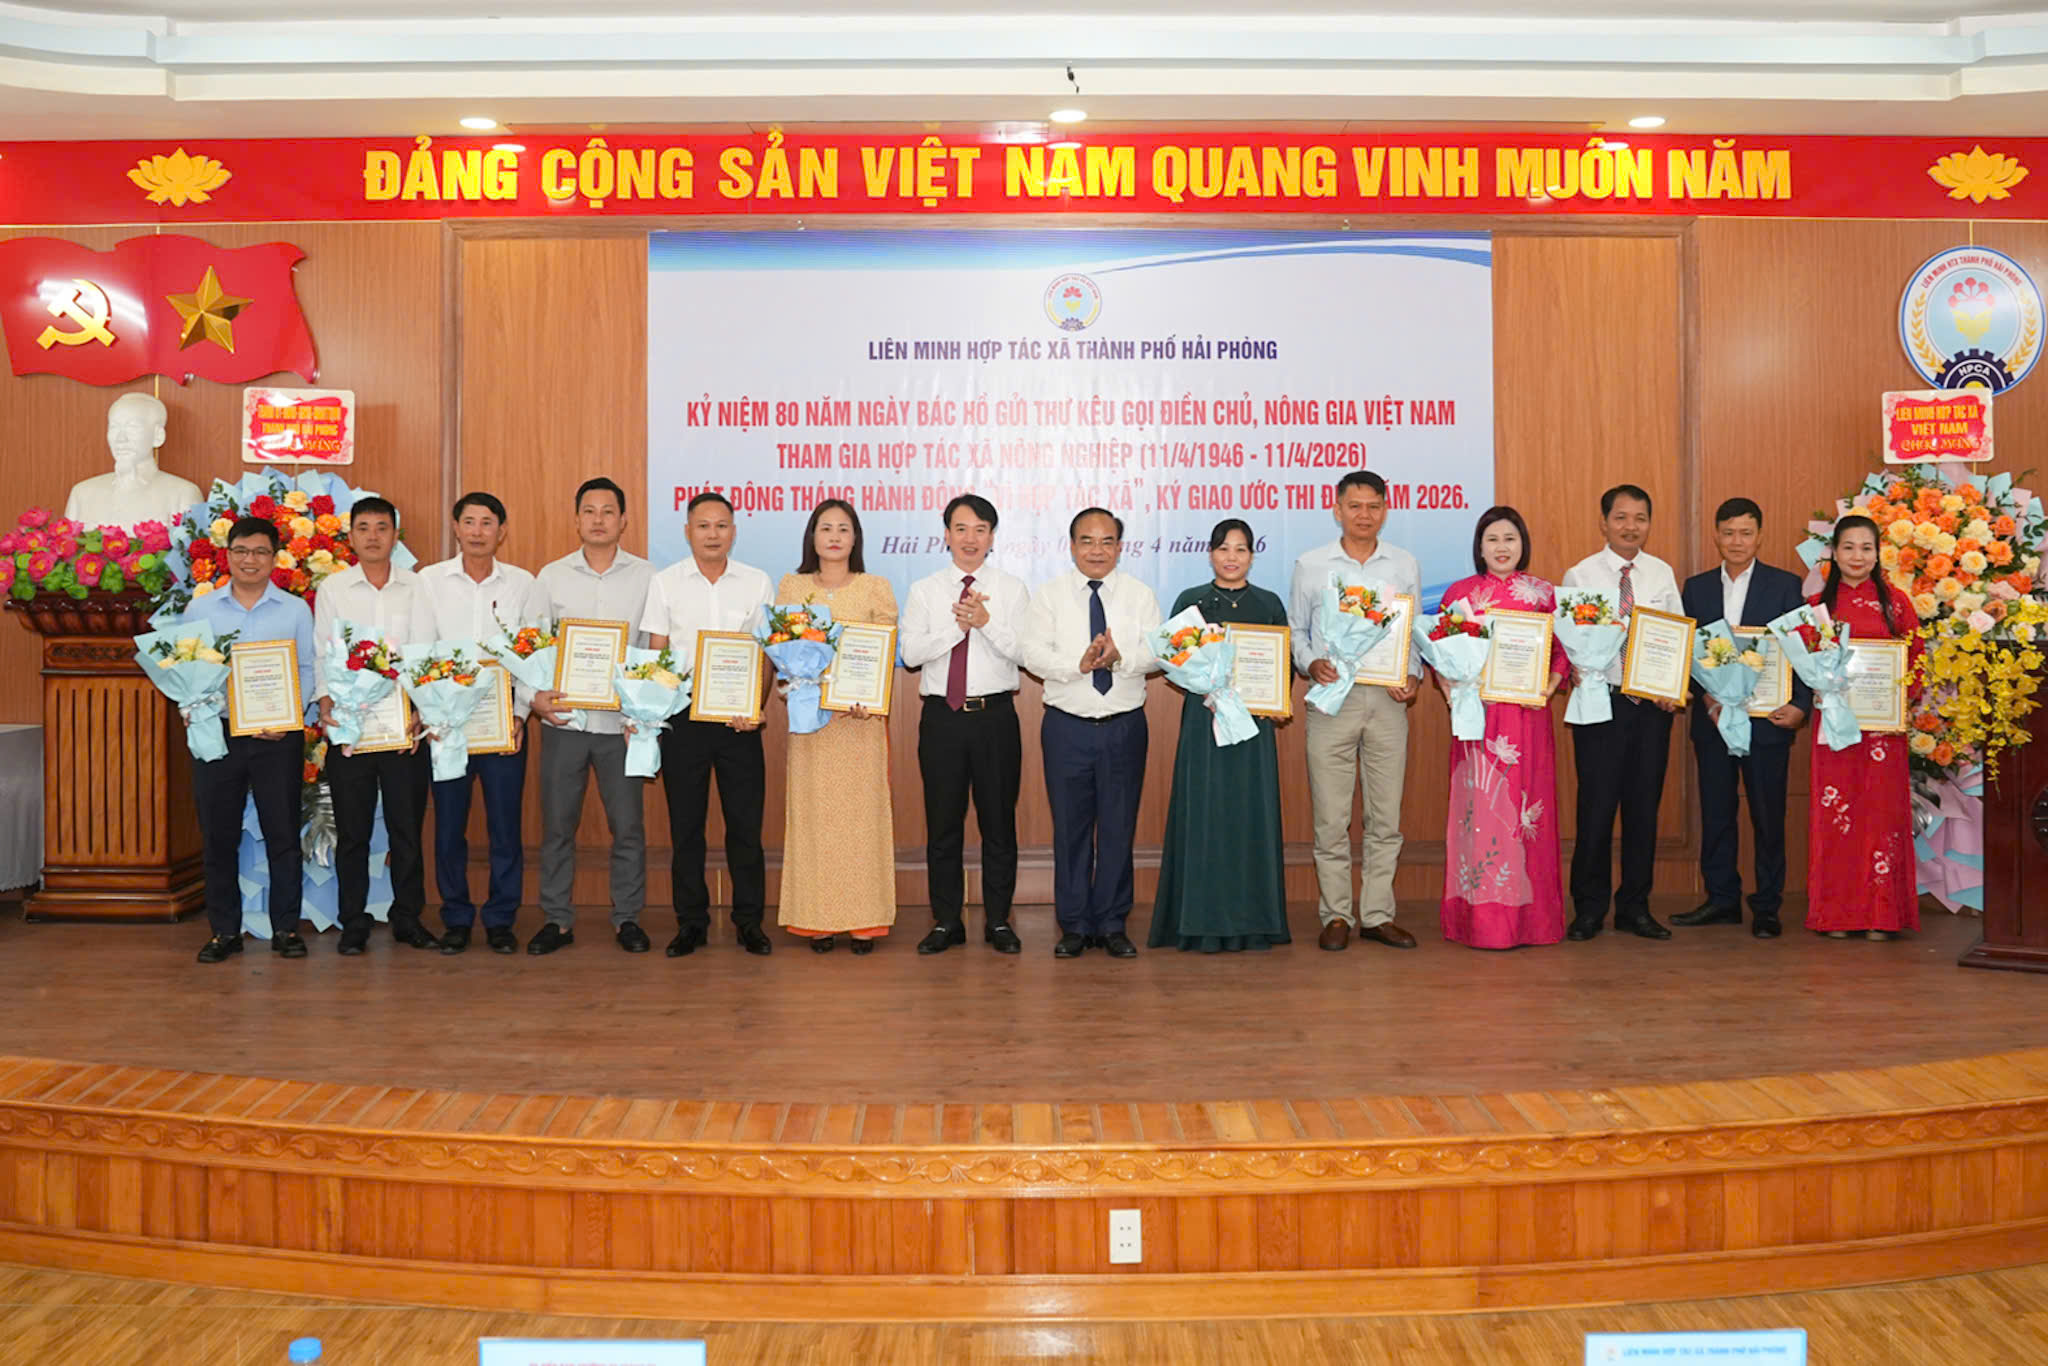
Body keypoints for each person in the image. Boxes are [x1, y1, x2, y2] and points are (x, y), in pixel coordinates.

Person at [1288, 470, 1421, 952]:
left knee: (1386, 818)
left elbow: (1412, 632)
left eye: (1373, 506)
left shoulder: (1403, 563)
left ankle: (1378, 915)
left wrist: (1412, 674)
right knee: (1331, 817)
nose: (1364, 515)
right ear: (1337, 509)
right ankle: (1337, 914)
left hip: (1386, 702)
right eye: (1355, 506)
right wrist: (1311, 662)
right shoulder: (1311, 564)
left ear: (1385, 510)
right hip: (1332, 702)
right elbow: (1297, 631)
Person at [1021, 507, 1161, 959]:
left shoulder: (1139, 595)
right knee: (1071, 829)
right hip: (1067, 727)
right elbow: (1031, 653)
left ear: (1119, 547)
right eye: (1087, 540)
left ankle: (1113, 922)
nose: (1096, 550)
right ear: (1072, 546)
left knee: (1119, 827)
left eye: (1106, 541)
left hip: (1123, 726)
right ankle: (1076, 924)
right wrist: (1076, 665)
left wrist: (1122, 658)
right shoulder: (1050, 595)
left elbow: (1158, 653)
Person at [641, 491, 776, 958]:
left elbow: (766, 655)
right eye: (703, 526)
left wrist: (755, 707)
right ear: (688, 532)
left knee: (745, 827)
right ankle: (691, 923)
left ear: (733, 532)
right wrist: (654, 712)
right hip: (683, 719)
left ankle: (749, 922)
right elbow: (658, 654)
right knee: (686, 828)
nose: (712, 534)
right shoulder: (665, 583)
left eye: (721, 525)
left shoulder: (757, 582)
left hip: (739, 721)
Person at [1673, 497, 1812, 940]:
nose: (1737, 541)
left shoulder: (1785, 586)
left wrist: (1801, 705)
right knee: (1716, 813)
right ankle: (1722, 900)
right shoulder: (1695, 589)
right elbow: (1684, 654)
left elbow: (1801, 650)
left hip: (1767, 722)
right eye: (1729, 532)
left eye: (1746, 533)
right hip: (1713, 722)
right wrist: (1705, 698)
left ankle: (1767, 905)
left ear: (1759, 536)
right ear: (1716, 535)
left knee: (1768, 817)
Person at [1149, 519, 1290, 953]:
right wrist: (1209, 688)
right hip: (1204, 721)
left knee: (1249, 813)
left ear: (1252, 556)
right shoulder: (1190, 602)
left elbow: (1282, 667)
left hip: (1252, 726)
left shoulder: (1268, 603)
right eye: (1224, 548)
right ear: (1210, 553)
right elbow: (1175, 660)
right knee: (1205, 812)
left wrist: (1273, 697)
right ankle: (1199, 919)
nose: (1232, 557)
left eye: (1241, 549)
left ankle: (1255, 921)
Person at [528, 477, 655, 956]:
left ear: (624, 521)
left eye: (608, 511)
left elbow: (655, 648)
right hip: (566, 722)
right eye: (589, 511)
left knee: (628, 827)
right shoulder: (551, 576)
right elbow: (531, 644)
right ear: (576, 519)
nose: (598, 520)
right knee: (557, 827)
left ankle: (628, 918)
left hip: (623, 726)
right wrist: (534, 698)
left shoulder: (648, 577)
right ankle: (557, 919)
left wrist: (646, 709)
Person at [899, 494, 1028, 956]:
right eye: (960, 528)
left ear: (992, 536)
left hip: (995, 717)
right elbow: (911, 654)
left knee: (999, 823)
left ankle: (998, 920)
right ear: (946, 535)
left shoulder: (1011, 589)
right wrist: (958, 627)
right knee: (943, 823)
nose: (970, 538)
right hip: (942, 719)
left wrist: (986, 622)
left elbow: (1025, 652)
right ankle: (946, 921)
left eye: (980, 529)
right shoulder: (926, 590)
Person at [1434, 507, 1569, 949]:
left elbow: (1563, 653)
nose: (1502, 547)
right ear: (1479, 546)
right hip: (1478, 720)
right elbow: (1439, 652)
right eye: (1492, 539)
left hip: (1528, 719)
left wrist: (1548, 687)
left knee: (1526, 813)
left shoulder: (1543, 594)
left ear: (1522, 543)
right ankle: (1479, 923)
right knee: (1482, 814)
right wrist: (1451, 690)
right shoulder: (1460, 594)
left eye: (1510, 538)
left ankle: (1532, 922)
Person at [311, 496, 440, 954]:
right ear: (350, 537)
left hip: (403, 728)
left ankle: (408, 918)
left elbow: (426, 651)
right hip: (352, 728)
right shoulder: (334, 589)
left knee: (407, 830)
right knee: (353, 832)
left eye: (381, 527)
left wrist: (421, 709)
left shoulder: (418, 586)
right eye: (363, 528)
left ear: (395, 535)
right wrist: (326, 701)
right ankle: (353, 921)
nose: (372, 536)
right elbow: (323, 653)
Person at [186, 515, 316, 964]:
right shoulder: (201, 610)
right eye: (241, 551)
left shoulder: (295, 610)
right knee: (218, 836)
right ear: (227, 556)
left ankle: (286, 928)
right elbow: (188, 668)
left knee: (283, 833)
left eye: (260, 552)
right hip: (218, 734)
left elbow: (306, 669)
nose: (250, 560)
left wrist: (290, 715)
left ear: (275, 558)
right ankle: (224, 931)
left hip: (277, 736)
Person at [773, 499, 899, 953]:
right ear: (812, 536)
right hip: (812, 724)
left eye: (843, 529)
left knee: (861, 820)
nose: (834, 536)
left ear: (855, 538)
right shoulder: (792, 586)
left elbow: (883, 652)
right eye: (825, 527)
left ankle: (864, 920)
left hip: (859, 724)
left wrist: (869, 696)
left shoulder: (875, 588)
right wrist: (793, 684)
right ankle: (816, 920)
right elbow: (782, 652)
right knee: (815, 818)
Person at [415, 491, 539, 956]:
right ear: (455, 527)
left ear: (501, 531)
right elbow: (420, 650)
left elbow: (532, 656)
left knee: (505, 826)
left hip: (502, 723)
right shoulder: (429, 581)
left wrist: (521, 715)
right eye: (469, 521)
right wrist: (431, 714)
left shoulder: (522, 583)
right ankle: (456, 917)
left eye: (487, 523)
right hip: (448, 725)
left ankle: (501, 918)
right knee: (449, 826)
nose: (478, 531)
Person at [1560, 484, 1685, 942]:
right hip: (1601, 703)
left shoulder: (1661, 573)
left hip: (1651, 708)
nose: (1631, 527)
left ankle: (1635, 906)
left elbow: (1676, 636)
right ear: (1604, 522)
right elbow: (1567, 639)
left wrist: (1673, 686)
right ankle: (1589, 908)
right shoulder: (1581, 575)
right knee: (1595, 809)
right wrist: (1575, 669)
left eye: (1640, 518)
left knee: (1643, 809)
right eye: (1621, 517)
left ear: (1649, 523)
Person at [1806, 515, 1922, 940]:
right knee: (1837, 819)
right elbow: (1803, 662)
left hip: (1882, 734)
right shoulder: (1817, 606)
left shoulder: (1897, 603)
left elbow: (1916, 660)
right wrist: (1817, 687)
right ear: (1834, 553)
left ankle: (1881, 915)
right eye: (1849, 547)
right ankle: (1837, 915)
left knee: (1879, 818)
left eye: (1866, 548)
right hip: (1835, 730)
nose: (1858, 556)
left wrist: (1901, 701)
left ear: (1878, 553)